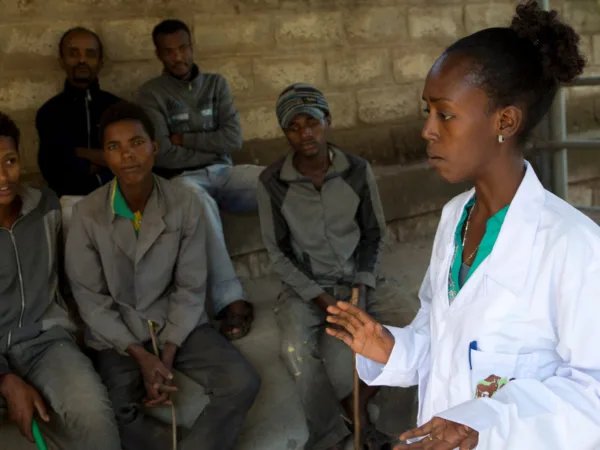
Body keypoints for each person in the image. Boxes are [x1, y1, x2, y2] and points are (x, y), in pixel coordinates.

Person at [326, 2, 600, 449]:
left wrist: (483, 426)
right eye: (427, 111)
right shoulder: (456, 217)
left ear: (504, 121)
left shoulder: (575, 247)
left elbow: (594, 395)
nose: (427, 131)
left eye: (445, 114)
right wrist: (390, 348)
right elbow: (442, 338)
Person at [64, 101, 260, 450]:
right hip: (118, 335)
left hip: (175, 323)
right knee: (111, 415)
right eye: (114, 147)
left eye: (137, 142)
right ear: (105, 157)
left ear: (154, 146)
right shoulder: (87, 215)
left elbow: (191, 285)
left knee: (241, 381)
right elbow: (91, 302)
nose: (128, 155)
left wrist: (165, 356)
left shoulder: (184, 203)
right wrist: (142, 357)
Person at [257, 83, 419, 450]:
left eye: (311, 122)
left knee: (415, 322)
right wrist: (321, 300)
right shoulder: (271, 182)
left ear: (327, 121)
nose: (305, 134)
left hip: (361, 279)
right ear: (285, 132)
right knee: (294, 348)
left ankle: (385, 423)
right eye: (294, 127)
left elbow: (374, 234)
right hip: (307, 287)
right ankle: (330, 434)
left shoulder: (356, 170)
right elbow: (278, 253)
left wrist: (361, 284)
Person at [0, 112, 120, 449]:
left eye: (9, 161)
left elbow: (71, 275)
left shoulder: (45, 206)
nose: (3, 177)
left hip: (46, 342)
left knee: (96, 418)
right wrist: (6, 379)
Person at [138, 19, 261, 340]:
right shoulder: (151, 94)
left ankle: (323, 272)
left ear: (191, 46)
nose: (178, 57)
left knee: (280, 182)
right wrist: (208, 141)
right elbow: (162, 153)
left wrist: (185, 138)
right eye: (169, 52)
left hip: (224, 173)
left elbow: (233, 139)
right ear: (159, 55)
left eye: (182, 48)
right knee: (195, 200)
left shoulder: (216, 85)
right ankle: (230, 300)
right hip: (182, 181)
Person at [37, 27, 121, 198]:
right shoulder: (49, 113)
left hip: (119, 197)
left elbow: (129, 161)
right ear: (62, 61)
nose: (82, 60)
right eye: (74, 54)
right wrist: (103, 159)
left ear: (100, 61)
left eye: (90, 54)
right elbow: (55, 171)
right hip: (70, 202)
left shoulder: (118, 108)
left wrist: (80, 152)